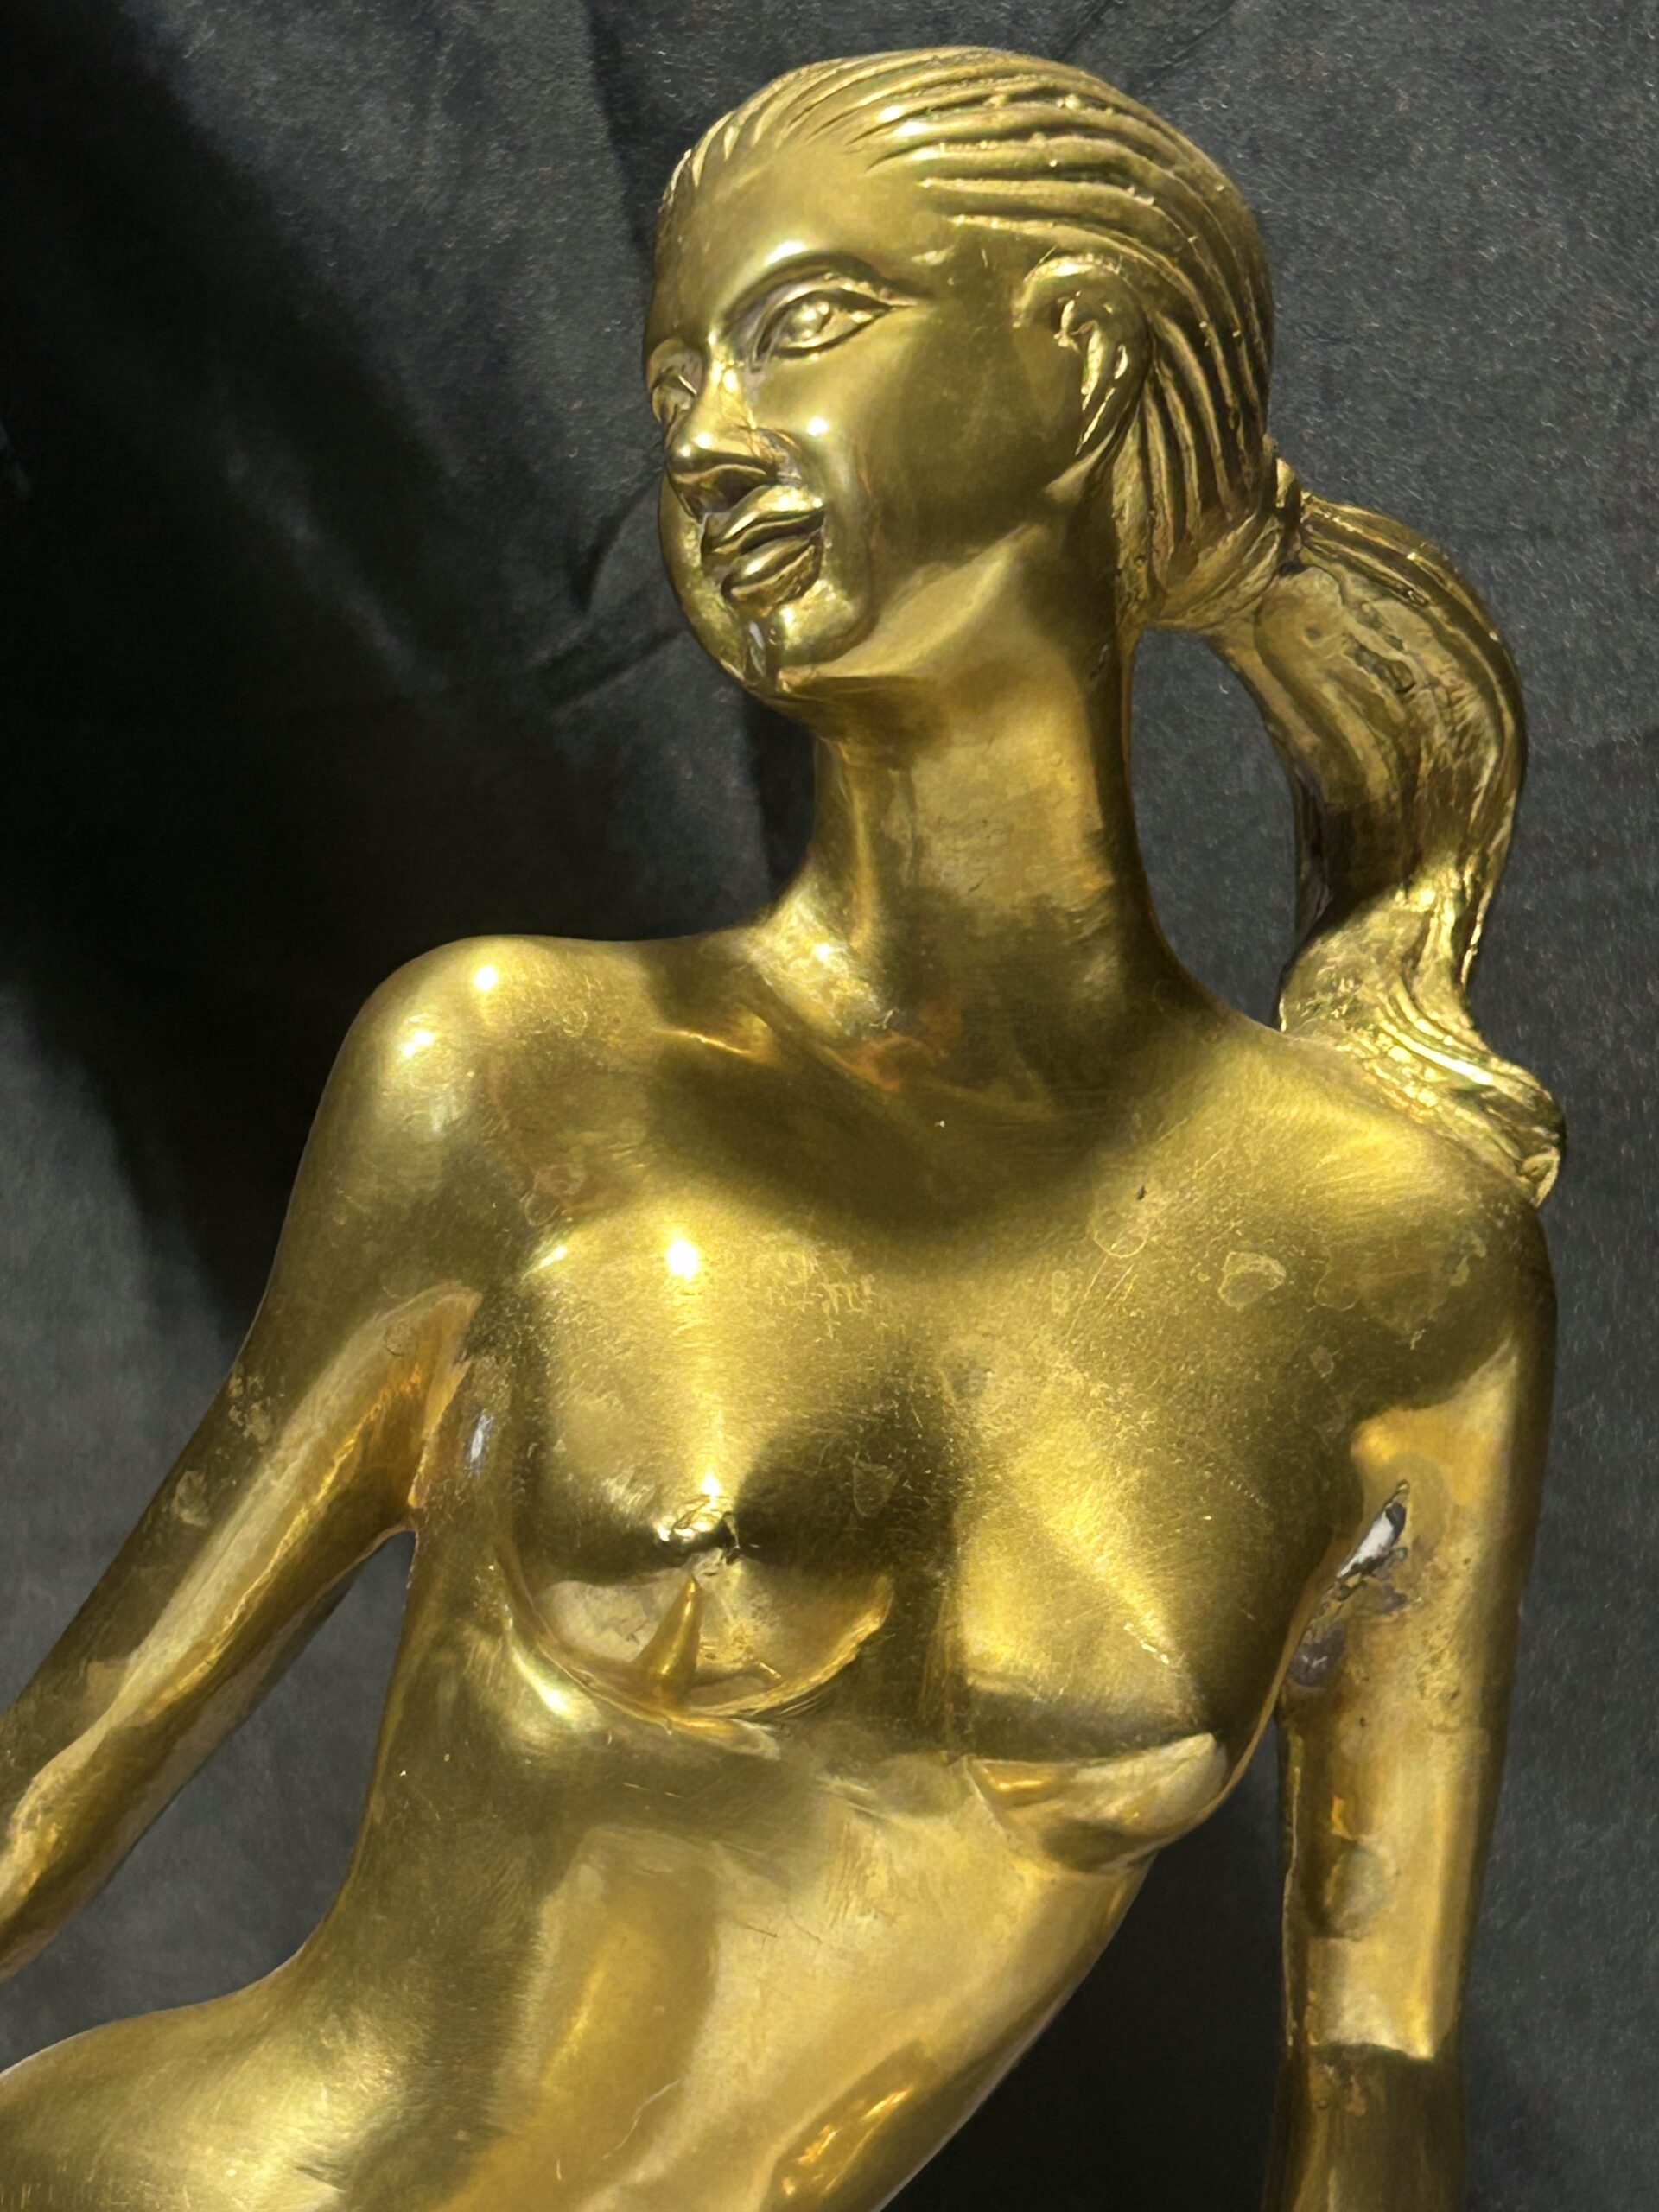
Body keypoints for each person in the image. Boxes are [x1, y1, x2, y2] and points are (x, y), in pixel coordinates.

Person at [0, 47, 1559, 2211]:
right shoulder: (519, 1076)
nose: (709, 437)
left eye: (801, 325)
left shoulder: (1397, 1252)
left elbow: (1377, 2069)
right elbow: (72, 1765)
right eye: (672, 385)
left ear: (1080, 362)